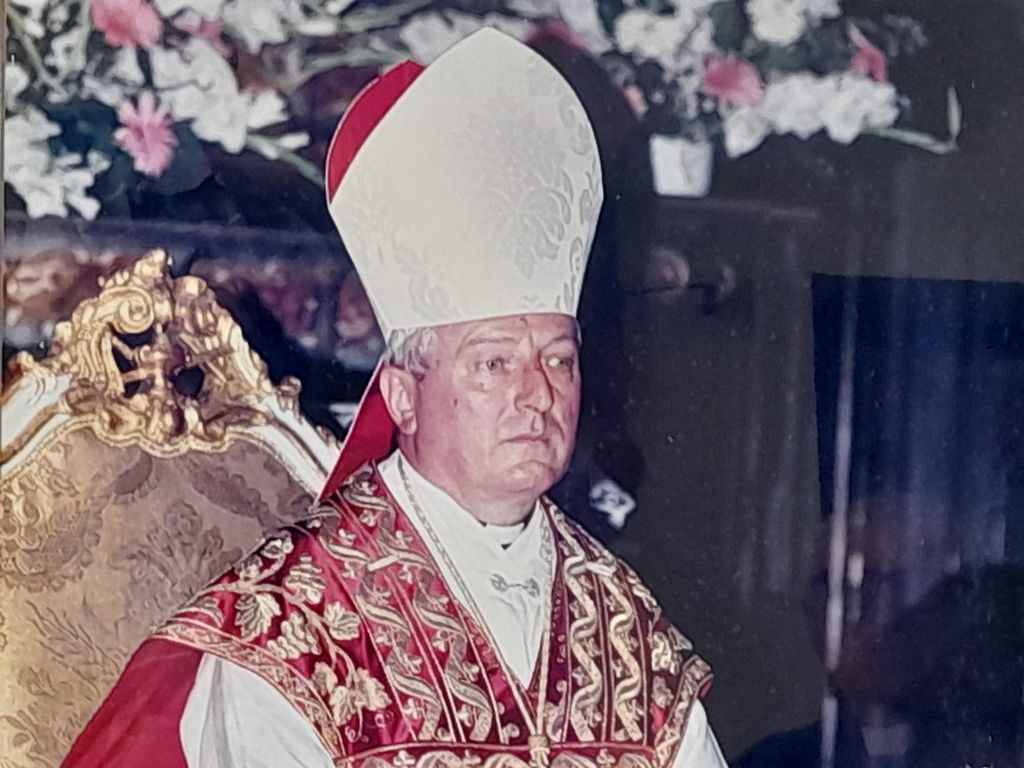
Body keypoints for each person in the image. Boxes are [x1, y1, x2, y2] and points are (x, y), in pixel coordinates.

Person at [63, 29, 727, 768]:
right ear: (404, 396)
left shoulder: (621, 623)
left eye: (558, 360)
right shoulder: (297, 625)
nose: (537, 394)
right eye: (493, 363)